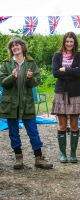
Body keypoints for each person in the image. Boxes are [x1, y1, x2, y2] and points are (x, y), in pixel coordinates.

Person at [0, 38, 53, 169]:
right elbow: (2, 82)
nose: (15, 47)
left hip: (27, 103)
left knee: (33, 131)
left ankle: (39, 158)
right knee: (13, 132)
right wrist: (12, 77)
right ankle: (19, 158)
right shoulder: (6, 64)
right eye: (12, 46)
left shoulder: (31, 63)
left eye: (17, 45)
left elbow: (36, 81)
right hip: (11, 104)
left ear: (23, 47)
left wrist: (30, 78)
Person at [51, 32, 80, 163]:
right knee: (62, 125)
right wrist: (72, 71)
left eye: (71, 41)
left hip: (75, 93)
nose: (69, 44)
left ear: (75, 42)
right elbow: (55, 73)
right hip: (60, 92)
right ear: (64, 42)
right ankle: (62, 154)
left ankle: (73, 154)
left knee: (74, 125)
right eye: (67, 41)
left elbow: (79, 72)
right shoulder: (57, 55)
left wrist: (64, 70)